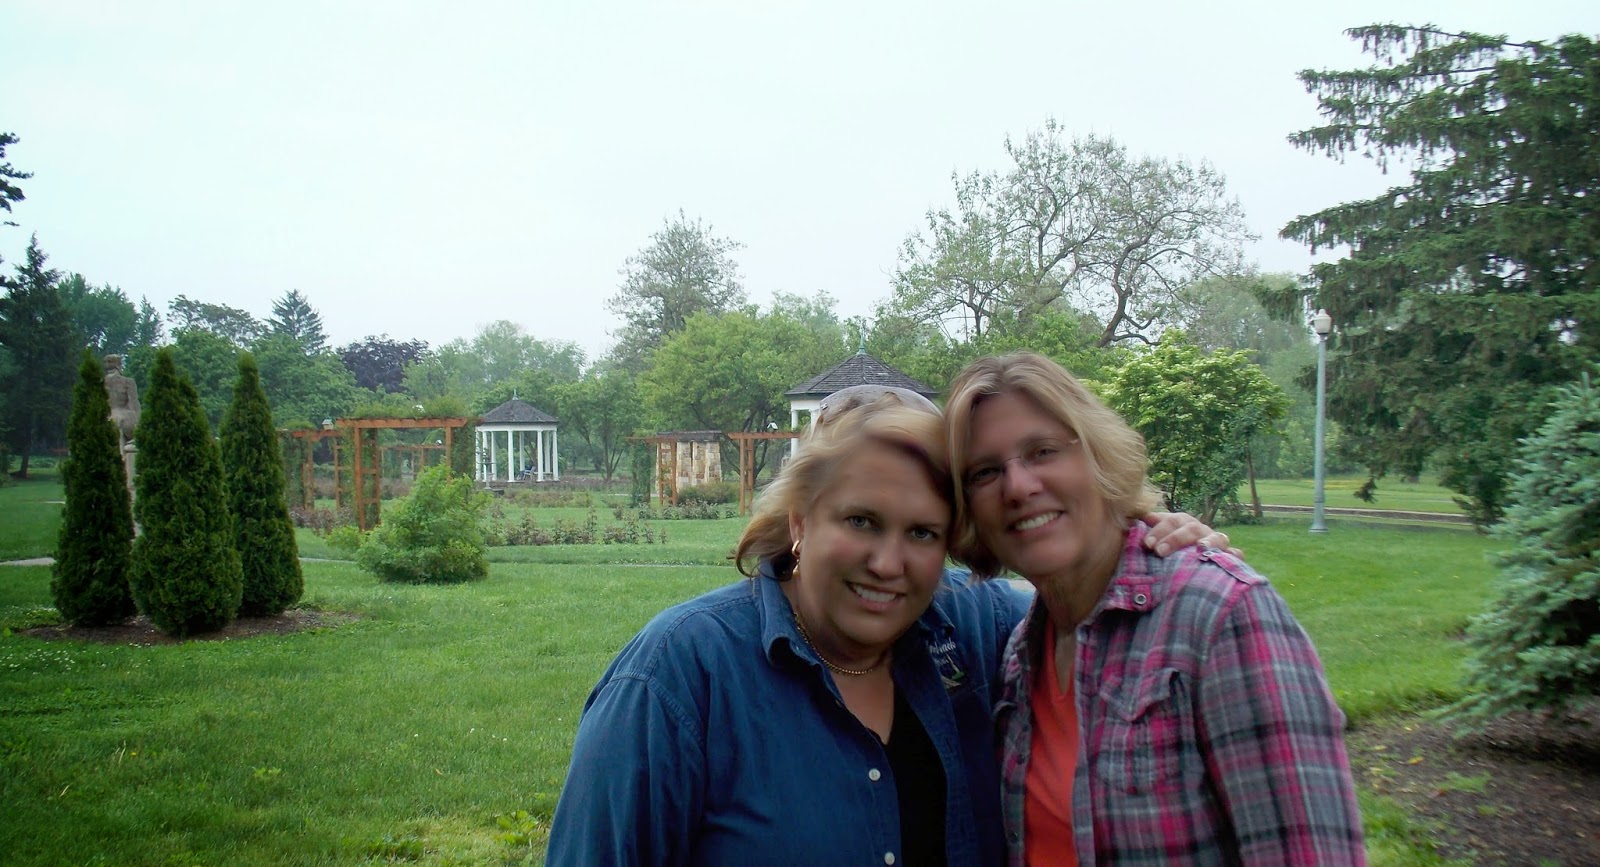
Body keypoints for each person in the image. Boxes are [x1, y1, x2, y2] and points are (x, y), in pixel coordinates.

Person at [544, 385, 1226, 866]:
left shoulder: (979, 629)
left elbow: (1097, 610)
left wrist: (1148, 548)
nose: (888, 563)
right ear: (801, 518)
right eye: (862, 520)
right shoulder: (677, 677)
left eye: (923, 532)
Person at [942, 352, 1365, 866]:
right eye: (985, 472)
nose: (1018, 486)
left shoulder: (1220, 616)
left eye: (1043, 451)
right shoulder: (1020, 652)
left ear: (1098, 455)